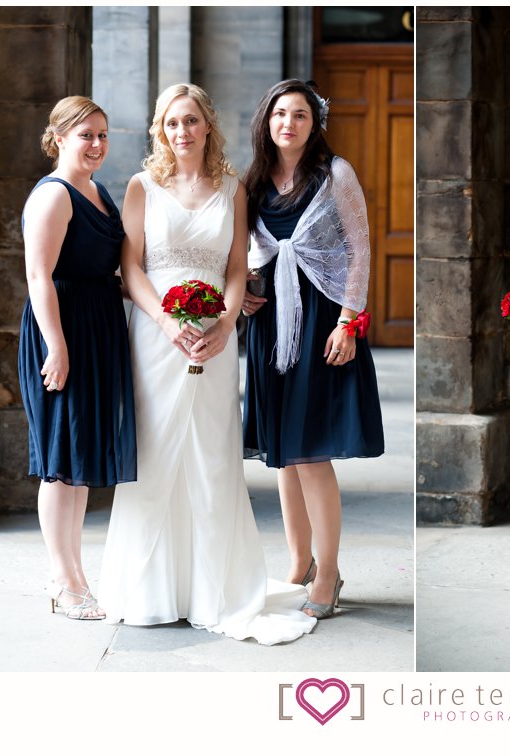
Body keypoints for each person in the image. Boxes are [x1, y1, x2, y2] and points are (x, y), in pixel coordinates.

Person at [98, 83, 315, 644]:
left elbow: (239, 267)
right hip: (155, 336)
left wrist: (225, 323)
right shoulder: (143, 186)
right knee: (155, 449)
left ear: (207, 126)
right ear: (160, 130)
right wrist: (168, 324)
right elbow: (132, 268)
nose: (182, 132)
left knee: (212, 453)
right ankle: (150, 589)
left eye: (191, 121)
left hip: (217, 337)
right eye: (172, 123)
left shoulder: (232, 190)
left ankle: (213, 588)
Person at [241, 79, 384, 619]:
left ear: (314, 122)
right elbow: (252, 251)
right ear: (267, 121)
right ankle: (298, 561)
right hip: (269, 325)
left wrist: (349, 322)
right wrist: (250, 291)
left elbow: (359, 250)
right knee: (282, 452)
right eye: (280, 114)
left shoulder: (334, 174)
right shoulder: (253, 181)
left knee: (310, 452)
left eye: (300, 115)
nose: (289, 124)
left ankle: (329, 573)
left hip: (323, 317)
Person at [18, 96, 136, 620]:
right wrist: (57, 346)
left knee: (80, 460)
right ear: (59, 137)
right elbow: (39, 276)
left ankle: (75, 575)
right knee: (59, 463)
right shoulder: (53, 196)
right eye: (85, 134)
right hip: (62, 330)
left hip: (98, 326)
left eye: (103, 135)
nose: (96, 144)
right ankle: (63, 582)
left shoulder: (100, 191)